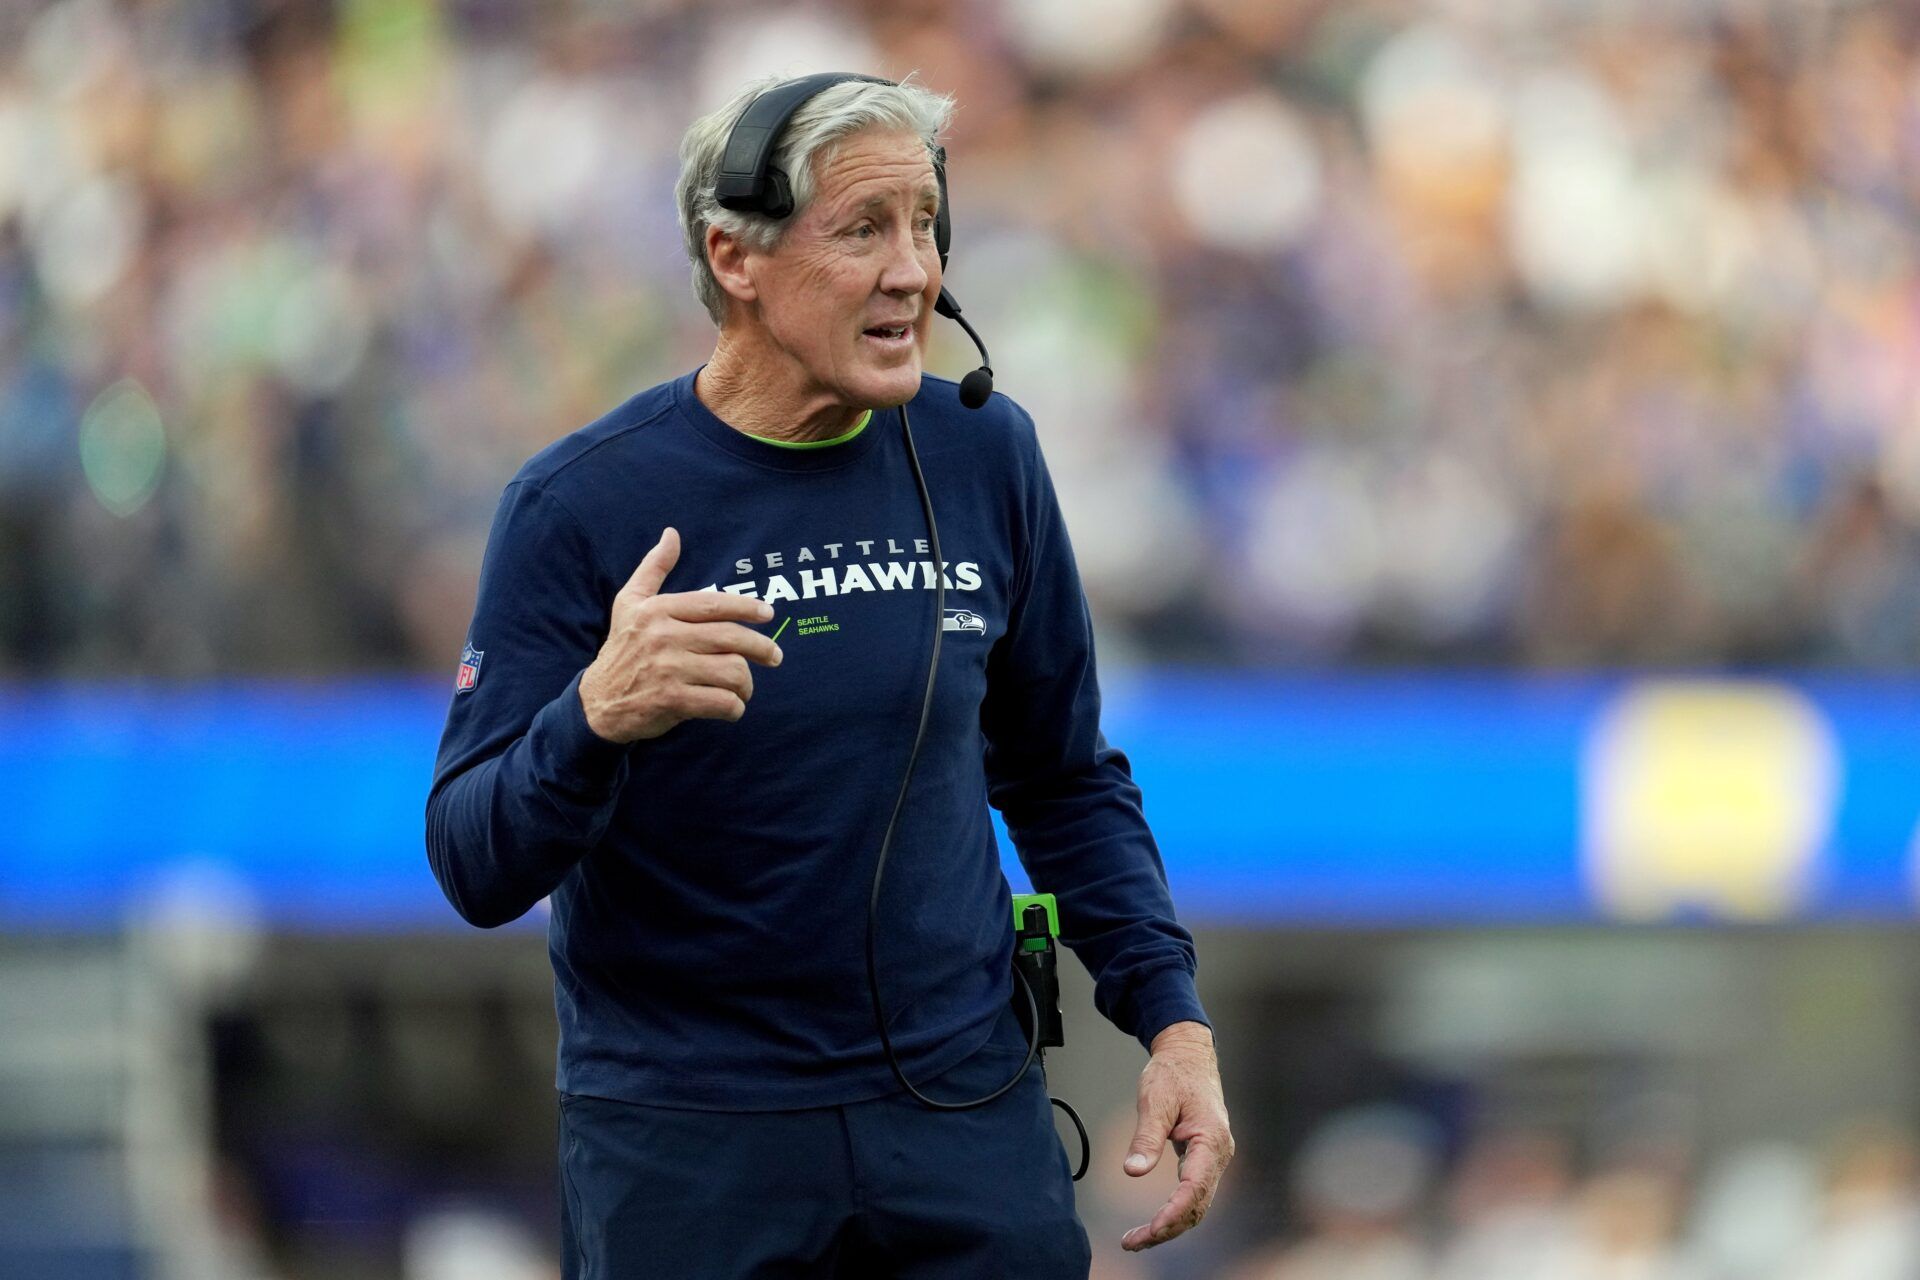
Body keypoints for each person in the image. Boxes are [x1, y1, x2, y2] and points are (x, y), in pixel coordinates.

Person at [425, 71, 1232, 1278]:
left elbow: (1063, 778)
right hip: (692, 1144)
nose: (913, 269)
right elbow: (471, 860)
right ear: (734, 257)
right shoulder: (576, 505)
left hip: (963, 1114)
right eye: (863, 228)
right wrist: (591, 717)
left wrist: (1172, 1016)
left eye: (925, 222)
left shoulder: (985, 451)